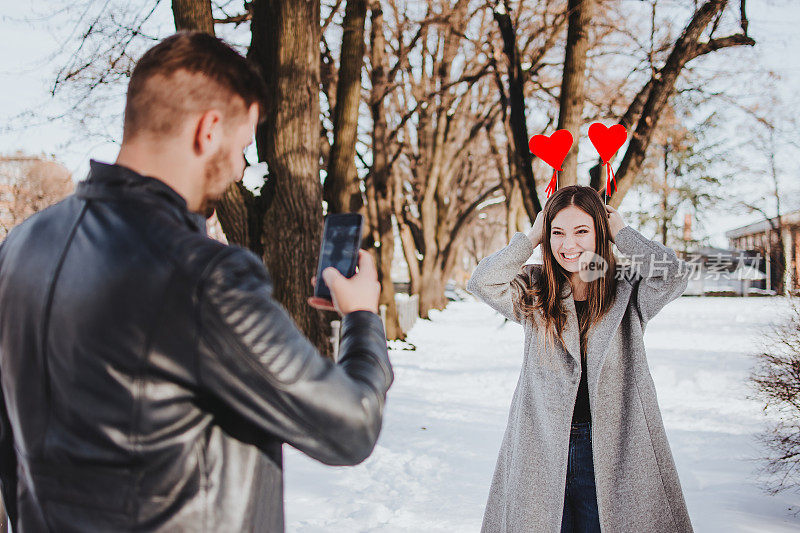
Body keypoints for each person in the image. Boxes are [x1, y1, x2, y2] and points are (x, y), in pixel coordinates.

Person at [0, 32, 393, 532]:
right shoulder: (202, 275)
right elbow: (351, 425)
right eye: (244, 146)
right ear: (209, 130)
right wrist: (361, 317)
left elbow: (9, 453)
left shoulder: (21, 246)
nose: (239, 167)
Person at [467, 185, 693, 532]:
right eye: (557, 233)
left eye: (581, 231)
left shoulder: (627, 287)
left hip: (615, 445)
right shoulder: (535, 288)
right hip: (543, 445)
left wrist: (622, 234)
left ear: (600, 234)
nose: (567, 244)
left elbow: (674, 274)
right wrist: (531, 238)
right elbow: (483, 281)